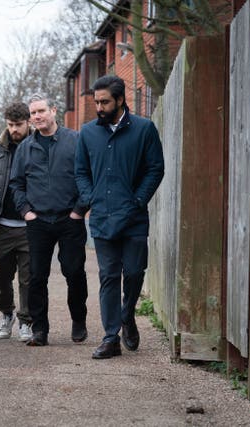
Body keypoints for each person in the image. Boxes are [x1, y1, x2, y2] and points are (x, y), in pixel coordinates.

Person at [74, 75, 164, 359]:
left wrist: (138, 200)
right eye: (96, 101)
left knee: (135, 272)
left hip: (134, 217)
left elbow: (155, 169)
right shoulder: (87, 133)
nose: (99, 107)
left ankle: (127, 315)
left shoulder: (144, 129)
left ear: (121, 100)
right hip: (102, 217)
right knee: (108, 276)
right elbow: (81, 172)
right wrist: (90, 198)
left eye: (105, 102)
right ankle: (111, 337)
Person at [9, 93, 89, 347]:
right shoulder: (25, 148)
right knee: (36, 276)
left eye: (41, 111)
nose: (37, 116)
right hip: (38, 222)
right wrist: (26, 213)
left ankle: (79, 321)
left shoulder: (75, 141)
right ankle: (39, 330)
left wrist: (79, 210)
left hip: (70, 219)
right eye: (33, 113)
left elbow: (88, 177)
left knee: (74, 272)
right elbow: (16, 184)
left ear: (54, 110)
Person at [0, 102, 33, 342]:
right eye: (11, 125)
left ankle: (26, 321)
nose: (14, 129)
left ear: (28, 122)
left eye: (19, 125)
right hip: (0, 226)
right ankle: (7, 314)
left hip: (29, 225)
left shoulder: (37, 144)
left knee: (28, 278)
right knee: (1, 278)